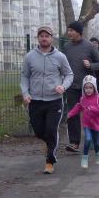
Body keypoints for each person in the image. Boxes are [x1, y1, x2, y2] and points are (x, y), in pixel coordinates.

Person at [21, 26, 74, 174]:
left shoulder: (60, 57)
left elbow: (69, 74)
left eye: (47, 36)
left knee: (51, 130)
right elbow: (24, 76)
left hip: (54, 100)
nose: (44, 38)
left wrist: (63, 86)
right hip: (35, 100)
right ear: (38, 38)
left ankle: (50, 160)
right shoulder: (30, 56)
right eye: (41, 36)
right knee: (38, 132)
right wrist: (25, 93)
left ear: (51, 38)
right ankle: (50, 144)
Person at [62, 21, 99, 152]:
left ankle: (92, 137)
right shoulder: (66, 47)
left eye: (71, 30)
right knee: (72, 113)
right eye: (68, 30)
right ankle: (74, 143)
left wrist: (90, 65)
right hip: (71, 86)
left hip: (87, 88)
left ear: (79, 32)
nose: (69, 33)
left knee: (90, 113)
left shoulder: (89, 46)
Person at [67, 75, 99, 168]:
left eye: (90, 87)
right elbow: (78, 107)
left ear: (94, 88)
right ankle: (85, 157)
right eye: (86, 88)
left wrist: (94, 109)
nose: (88, 90)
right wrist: (70, 114)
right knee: (88, 139)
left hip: (96, 125)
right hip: (87, 124)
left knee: (97, 144)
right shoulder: (83, 98)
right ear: (83, 88)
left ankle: (97, 154)